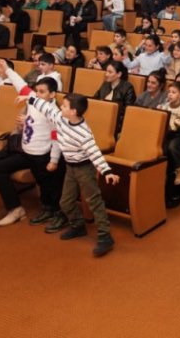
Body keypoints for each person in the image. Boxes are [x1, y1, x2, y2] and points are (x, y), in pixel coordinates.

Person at [17, 89, 119, 257]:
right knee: (65, 201)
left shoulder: (83, 133)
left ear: (73, 112)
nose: (60, 108)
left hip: (84, 169)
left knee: (94, 202)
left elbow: (94, 152)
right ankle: (78, 226)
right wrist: (30, 98)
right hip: (70, 168)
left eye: (64, 106)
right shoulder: (60, 118)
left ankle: (105, 236)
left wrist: (107, 171)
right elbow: (46, 108)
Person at [0, 70, 66, 229]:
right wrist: (7, 70)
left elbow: (55, 137)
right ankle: (4, 208)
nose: (37, 94)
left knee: (46, 185)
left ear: (52, 94)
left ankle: (48, 210)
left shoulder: (53, 112)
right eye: (36, 91)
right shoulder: (33, 101)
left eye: (42, 92)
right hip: (25, 150)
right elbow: (21, 86)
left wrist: (53, 159)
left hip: (41, 155)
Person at [92, 61, 136, 135]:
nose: (106, 74)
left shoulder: (128, 88)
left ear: (119, 74)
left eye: (110, 72)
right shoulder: (105, 84)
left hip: (116, 122)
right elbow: (94, 100)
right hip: (100, 117)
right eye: (106, 71)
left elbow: (128, 112)